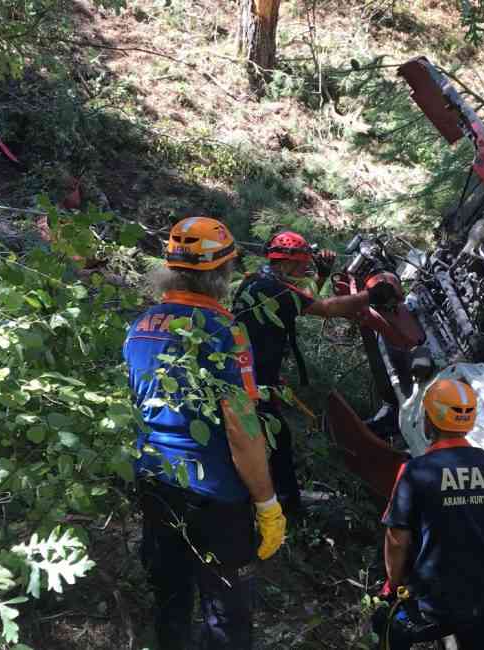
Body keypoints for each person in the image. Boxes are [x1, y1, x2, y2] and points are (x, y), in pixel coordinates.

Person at [124, 216, 286, 650]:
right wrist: (268, 502)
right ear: (222, 272)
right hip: (214, 495)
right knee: (226, 612)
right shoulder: (224, 332)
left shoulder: (139, 327)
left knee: (170, 598)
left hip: (155, 481)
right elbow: (243, 430)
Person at [231, 229, 391, 515]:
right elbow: (325, 308)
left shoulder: (261, 282)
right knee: (274, 441)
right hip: (251, 380)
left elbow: (300, 302)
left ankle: (273, 498)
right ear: (288, 263)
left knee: (270, 439)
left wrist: (322, 275)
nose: (306, 268)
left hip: (249, 374)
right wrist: (372, 295)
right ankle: (283, 504)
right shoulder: (272, 289)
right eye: (304, 264)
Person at [377, 378, 484, 650]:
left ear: (428, 419)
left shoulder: (417, 471)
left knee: (387, 626)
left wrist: (393, 585)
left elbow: (397, 540)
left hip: (437, 600)